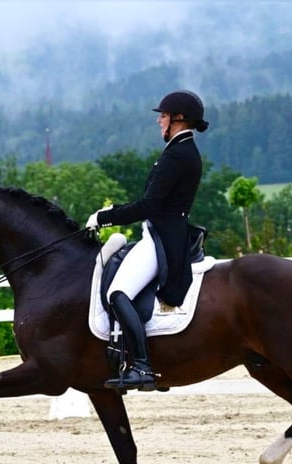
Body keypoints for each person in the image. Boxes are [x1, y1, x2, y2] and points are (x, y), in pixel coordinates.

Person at [86, 90, 209, 392]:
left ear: (178, 120)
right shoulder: (184, 150)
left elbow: (149, 205)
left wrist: (105, 217)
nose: (159, 121)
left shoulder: (178, 154)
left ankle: (141, 366)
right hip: (164, 232)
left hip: (163, 238)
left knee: (117, 293)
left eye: (163, 116)